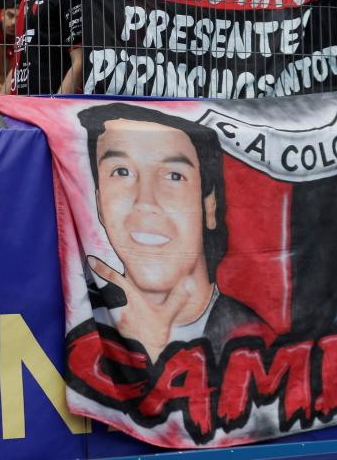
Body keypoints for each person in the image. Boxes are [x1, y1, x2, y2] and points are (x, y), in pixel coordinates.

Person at [77, 102, 268, 361]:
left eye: (173, 176)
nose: (145, 202)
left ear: (209, 205)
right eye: (121, 172)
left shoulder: (254, 341)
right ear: (99, 203)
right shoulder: (84, 316)